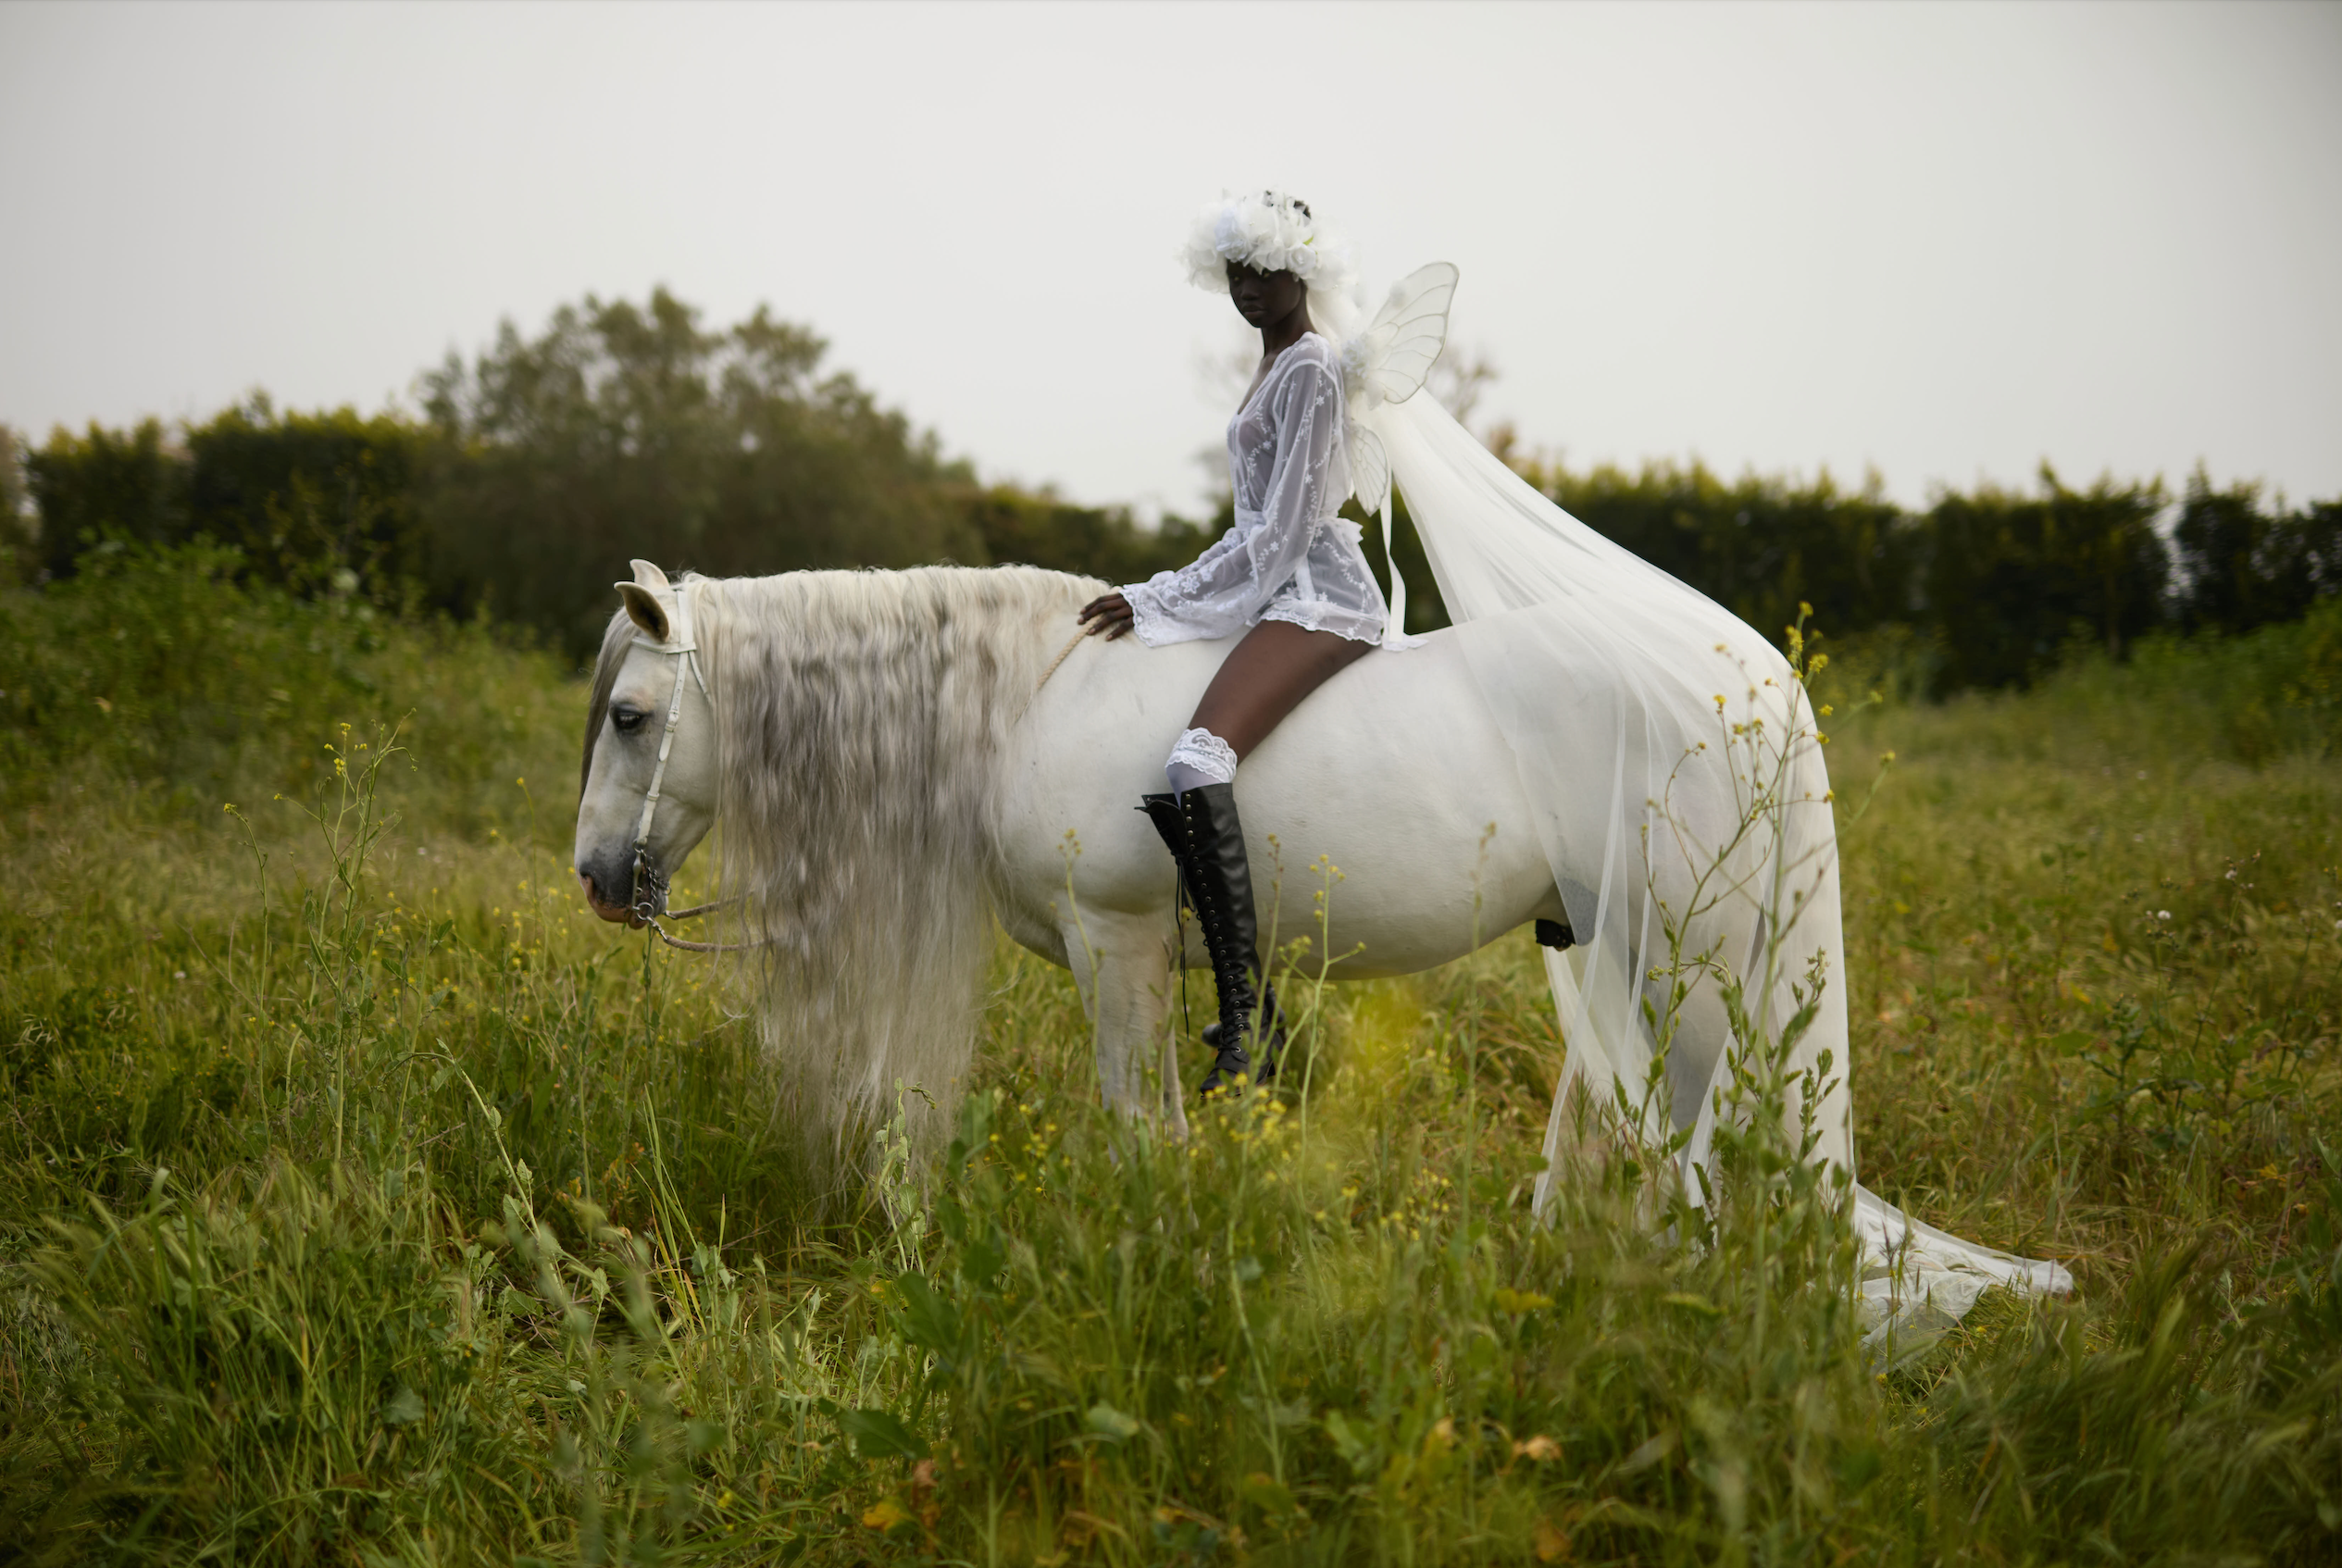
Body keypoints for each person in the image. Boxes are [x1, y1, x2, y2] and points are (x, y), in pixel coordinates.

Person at [1077, 191, 1388, 1096]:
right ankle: (1253, 1008)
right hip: (1273, 594)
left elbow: (1284, 533)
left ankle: (1250, 1018)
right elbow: (1256, 527)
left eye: (1266, 272)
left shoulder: (1313, 366)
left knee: (1197, 759)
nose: (1249, 288)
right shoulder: (1274, 362)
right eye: (1236, 274)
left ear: (1305, 273)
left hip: (1321, 598)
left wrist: (1158, 593)